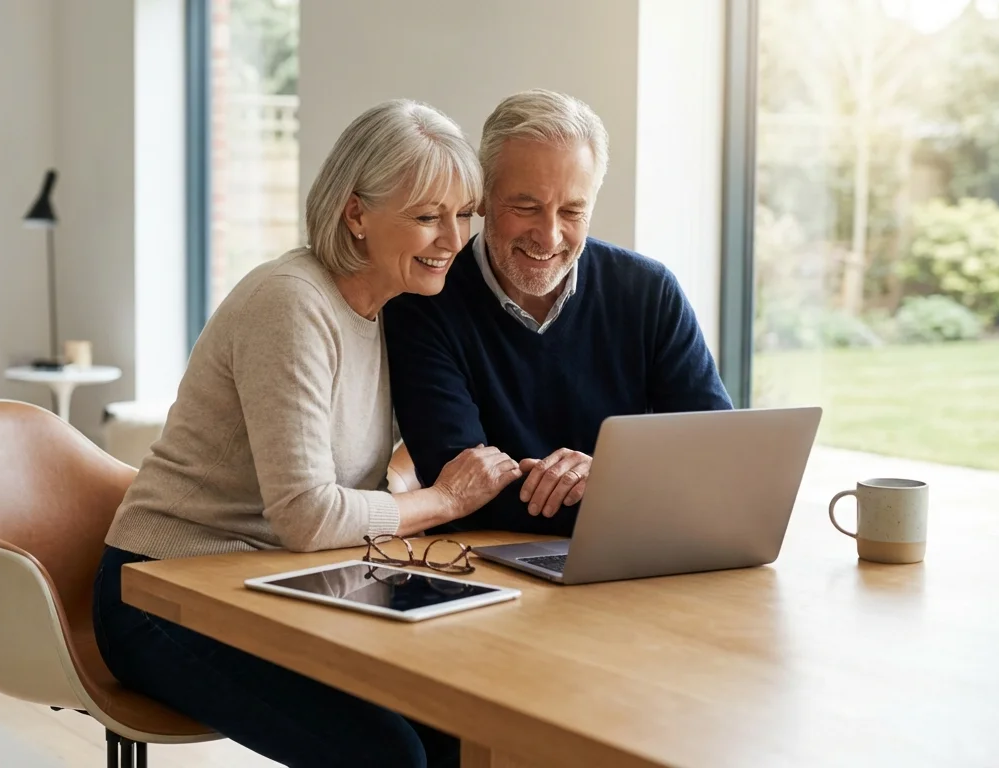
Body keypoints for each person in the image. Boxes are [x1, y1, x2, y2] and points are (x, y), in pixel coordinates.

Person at [92, 99, 523, 768]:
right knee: (387, 756)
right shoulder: (290, 302)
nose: (453, 239)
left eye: (464, 213)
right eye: (427, 216)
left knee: (462, 728)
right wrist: (442, 501)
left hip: (278, 583)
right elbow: (306, 514)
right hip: (165, 594)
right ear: (356, 214)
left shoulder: (393, 311)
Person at [383, 89, 733, 538]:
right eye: (526, 207)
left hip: (632, 557)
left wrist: (609, 477)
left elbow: (717, 458)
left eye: (572, 211)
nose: (548, 237)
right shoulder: (423, 305)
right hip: (486, 570)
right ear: (483, 198)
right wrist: (630, 492)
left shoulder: (649, 291)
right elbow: (465, 494)